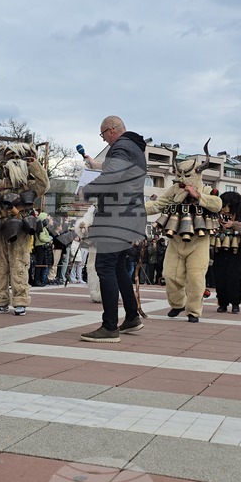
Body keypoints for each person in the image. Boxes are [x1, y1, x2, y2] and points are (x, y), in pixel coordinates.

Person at [80, 116, 147, 342]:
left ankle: (109, 327)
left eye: (102, 135)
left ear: (110, 130)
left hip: (116, 217)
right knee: (118, 267)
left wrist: (87, 190)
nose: (103, 140)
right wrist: (96, 164)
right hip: (129, 216)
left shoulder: (121, 147)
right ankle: (132, 317)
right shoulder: (134, 148)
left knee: (105, 266)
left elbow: (112, 176)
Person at [141, 143, 222, 323]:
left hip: (198, 242)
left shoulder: (206, 190)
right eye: (179, 175)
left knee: (195, 277)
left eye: (187, 175)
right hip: (176, 240)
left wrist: (198, 196)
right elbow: (157, 205)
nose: (182, 179)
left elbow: (217, 204)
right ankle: (178, 304)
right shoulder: (173, 191)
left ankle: (193, 311)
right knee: (170, 275)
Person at [0, 143, 50, 315]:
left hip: (19, 227)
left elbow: (44, 185)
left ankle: (20, 301)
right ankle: (0, 301)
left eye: (16, 158)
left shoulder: (29, 185)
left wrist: (34, 165)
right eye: (10, 158)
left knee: (19, 264)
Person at [213, 192, 241, 313]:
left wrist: (233, 224)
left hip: (236, 251)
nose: (225, 209)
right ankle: (222, 303)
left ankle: (235, 303)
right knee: (220, 276)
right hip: (220, 249)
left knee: (234, 277)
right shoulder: (217, 217)